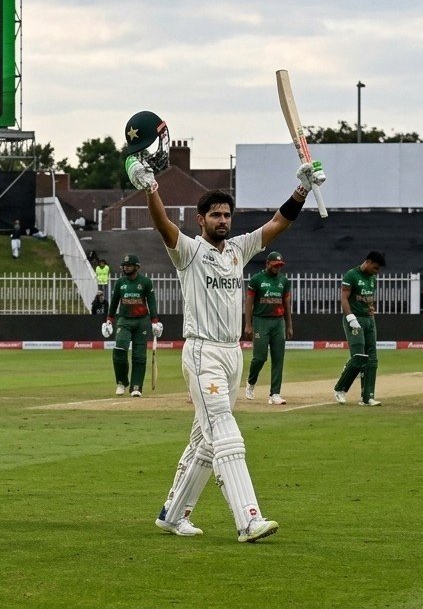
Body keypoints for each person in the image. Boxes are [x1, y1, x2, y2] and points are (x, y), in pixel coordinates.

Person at [127, 127, 322, 543]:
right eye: (215, 215)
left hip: (232, 354)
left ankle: (172, 514)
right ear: (201, 220)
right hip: (202, 354)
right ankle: (249, 519)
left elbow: (277, 223)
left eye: (227, 215)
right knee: (225, 431)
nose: (222, 221)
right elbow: (163, 224)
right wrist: (151, 189)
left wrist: (302, 189)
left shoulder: (238, 249)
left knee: (204, 440)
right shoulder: (188, 251)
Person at [333, 251, 387, 406]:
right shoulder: (351, 275)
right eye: (375, 268)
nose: (376, 272)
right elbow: (344, 298)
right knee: (358, 357)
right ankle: (340, 389)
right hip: (354, 319)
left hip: (369, 320)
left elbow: (368, 299)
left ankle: (367, 397)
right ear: (368, 262)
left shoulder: (372, 278)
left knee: (372, 359)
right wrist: (350, 317)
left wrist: (371, 309)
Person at [102, 253, 159, 397]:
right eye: (124, 265)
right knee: (119, 350)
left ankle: (136, 387)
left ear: (136, 267)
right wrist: (109, 320)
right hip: (124, 320)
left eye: (129, 265)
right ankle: (121, 382)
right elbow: (114, 302)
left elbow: (151, 302)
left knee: (139, 356)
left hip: (141, 321)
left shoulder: (145, 282)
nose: (126, 268)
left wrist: (155, 322)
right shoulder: (120, 283)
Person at [244, 251, 292, 405]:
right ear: (267, 264)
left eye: (280, 265)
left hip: (278, 322)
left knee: (278, 358)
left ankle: (275, 394)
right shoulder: (257, 279)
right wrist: (248, 324)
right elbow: (249, 302)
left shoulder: (284, 281)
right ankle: (251, 382)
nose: (278, 268)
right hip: (261, 321)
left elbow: (286, 304)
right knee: (260, 357)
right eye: (275, 265)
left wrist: (289, 325)